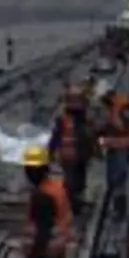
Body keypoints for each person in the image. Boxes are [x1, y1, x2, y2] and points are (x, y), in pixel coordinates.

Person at [48, 84, 96, 213]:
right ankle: (74, 204)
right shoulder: (84, 120)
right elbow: (89, 136)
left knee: (72, 180)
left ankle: (73, 203)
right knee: (76, 181)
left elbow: (56, 137)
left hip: (69, 154)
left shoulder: (63, 119)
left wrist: (51, 152)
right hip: (78, 154)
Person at [98, 87, 129, 219]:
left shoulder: (122, 107)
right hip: (115, 146)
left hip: (121, 146)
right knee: (113, 178)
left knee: (118, 179)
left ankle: (120, 210)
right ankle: (118, 207)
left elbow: (122, 128)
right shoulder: (117, 107)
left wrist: (104, 135)